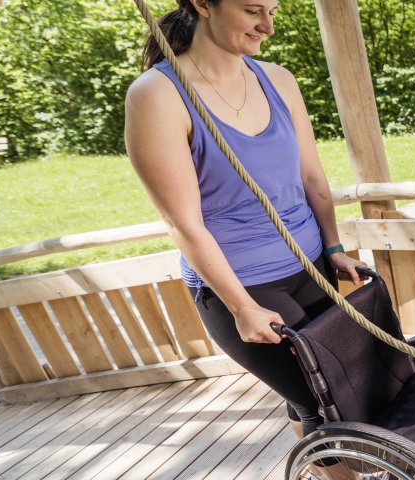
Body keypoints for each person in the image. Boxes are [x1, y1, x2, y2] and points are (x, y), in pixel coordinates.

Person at [124, 0, 366, 443]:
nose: (268, 27)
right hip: (245, 284)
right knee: (325, 401)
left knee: (343, 389)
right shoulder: (156, 96)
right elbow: (183, 224)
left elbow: (310, 177)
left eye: (273, 10)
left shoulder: (278, 79)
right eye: (254, 10)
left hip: (311, 264)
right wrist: (242, 307)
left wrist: (333, 247)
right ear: (203, 5)